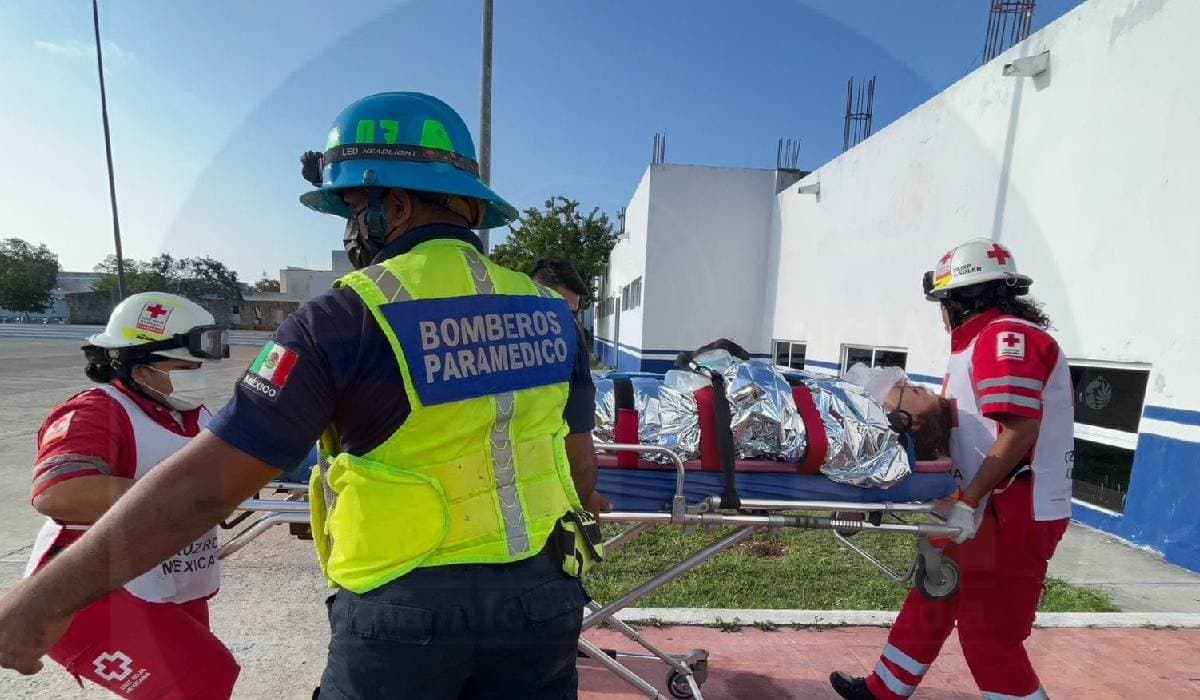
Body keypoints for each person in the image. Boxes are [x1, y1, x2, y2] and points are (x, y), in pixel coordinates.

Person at [0, 92, 602, 700]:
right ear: (471, 207)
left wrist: (44, 599)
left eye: (352, 208)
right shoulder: (553, 313)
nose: (350, 231)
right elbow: (578, 464)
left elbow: (207, 487)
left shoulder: (345, 317)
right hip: (543, 597)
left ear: (392, 206)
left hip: (406, 610)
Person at [831, 238, 1074, 700]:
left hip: (1011, 512)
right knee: (934, 593)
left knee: (991, 636)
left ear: (959, 300)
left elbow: (1020, 431)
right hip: (980, 504)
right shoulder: (984, 342)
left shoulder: (1008, 340)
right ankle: (884, 690)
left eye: (942, 303)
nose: (941, 315)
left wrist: (968, 500)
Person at [21, 292, 237, 699]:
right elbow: (59, 492)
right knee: (201, 681)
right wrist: (189, 496)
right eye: (184, 365)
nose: (198, 373)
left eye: (199, 365)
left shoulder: (192, 414)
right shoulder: (96, 411)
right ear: (138, 365)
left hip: (163, 580)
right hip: (92, 589)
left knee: (199, 685)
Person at [530, 257, 611, 514]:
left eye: (572, 313)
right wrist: (584, 497)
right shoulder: (569, 342)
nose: (563, 321)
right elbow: (578, 443)